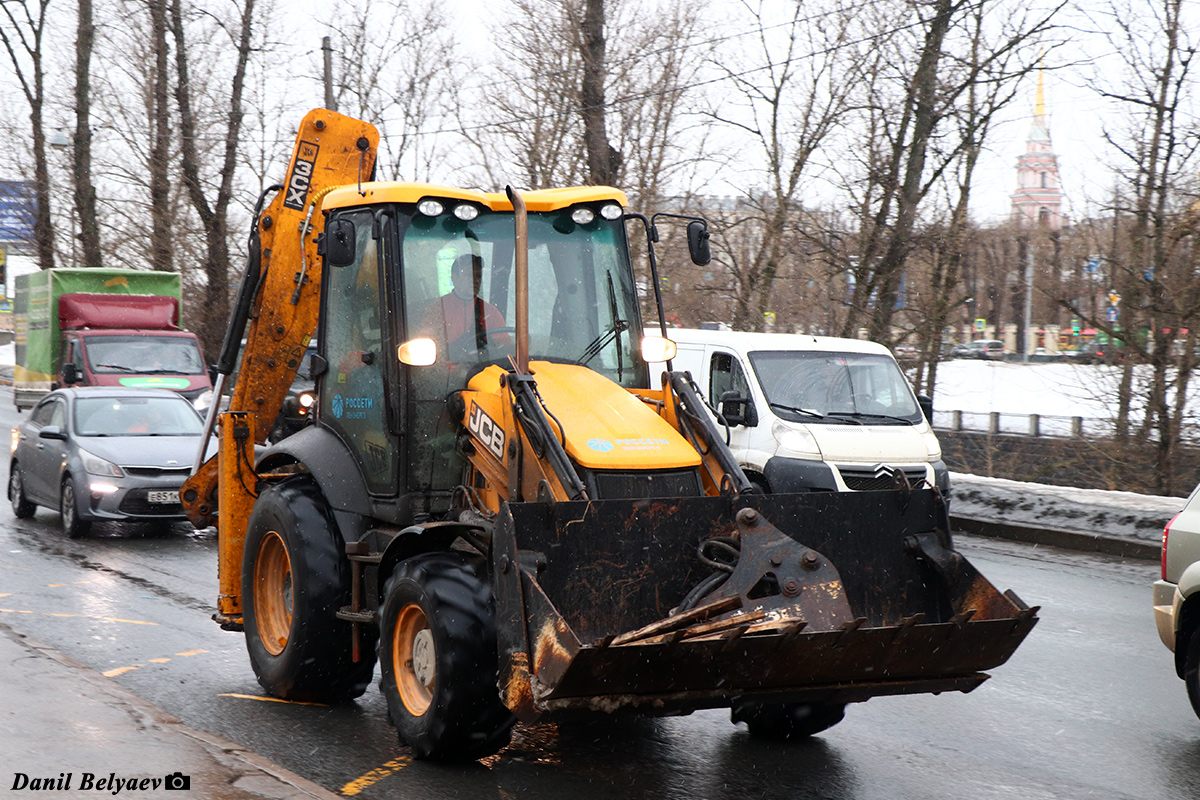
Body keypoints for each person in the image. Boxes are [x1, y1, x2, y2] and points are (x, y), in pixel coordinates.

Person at [421, 253, 510, 360]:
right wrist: (455, 370)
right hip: (449, 374)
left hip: (481, 372)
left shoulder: (491, 312)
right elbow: (428, 352)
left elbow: (505, 350)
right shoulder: (437, 310)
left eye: (478, 276)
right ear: (454, 278)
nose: (475, 280)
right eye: (469, 275)